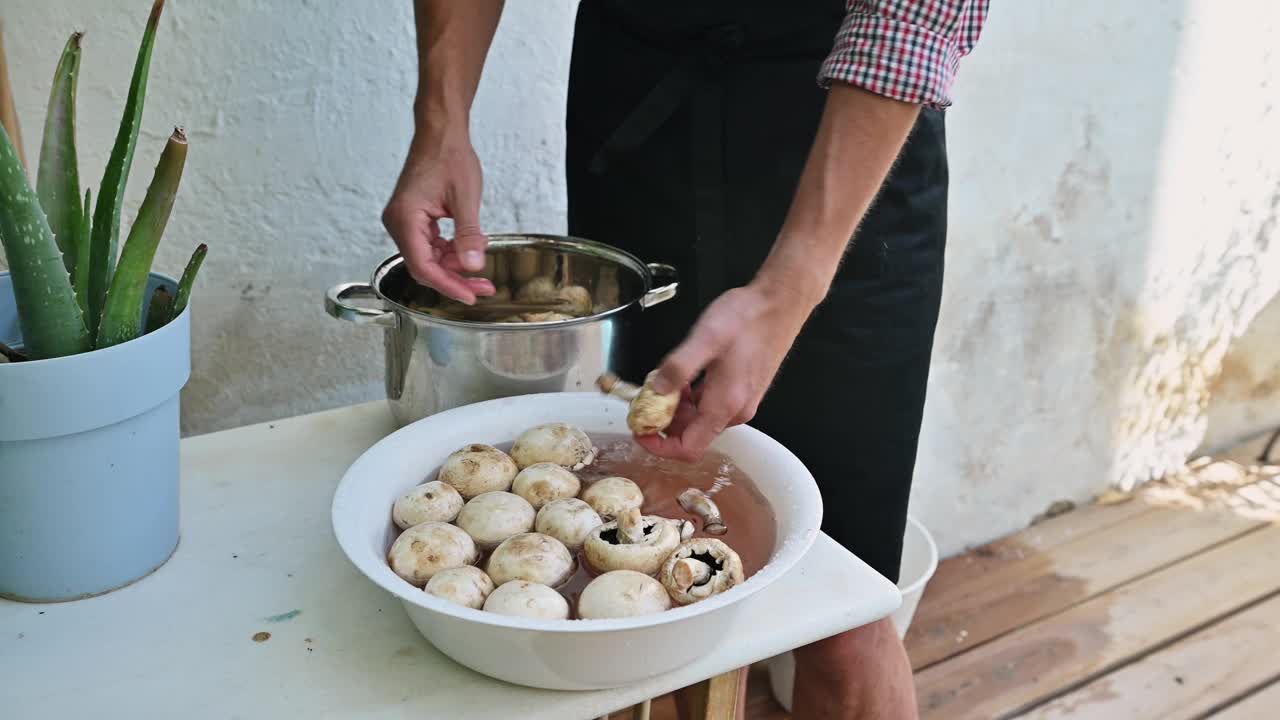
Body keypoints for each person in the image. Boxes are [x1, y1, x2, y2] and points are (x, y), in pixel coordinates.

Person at [382, 1, 988, 717]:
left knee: (844, 611)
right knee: (619, 578)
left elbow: (912, 15)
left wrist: (793, 285)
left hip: (847, 128)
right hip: (642, 96)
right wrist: (442, 124)